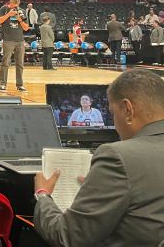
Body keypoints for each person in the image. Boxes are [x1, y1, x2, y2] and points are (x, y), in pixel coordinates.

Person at [34, 68, 164, 246]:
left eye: (113, 114)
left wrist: (42, 195)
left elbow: (67, 237)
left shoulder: (118, 156)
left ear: (127, 110)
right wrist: (103, 185)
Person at [0, 0, 28, 92]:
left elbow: (26, 28)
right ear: (9, 3)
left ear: (18, 4)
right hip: (8, 40)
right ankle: (2, 84)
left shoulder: (21, 11)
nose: (14, 7)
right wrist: (9, 15)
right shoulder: (4, 9)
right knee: (5, 63)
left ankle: (20, 85)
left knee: (20, 64)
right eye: (12, 5)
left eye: (16, 5)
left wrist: (20, 20)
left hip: (20, 40)